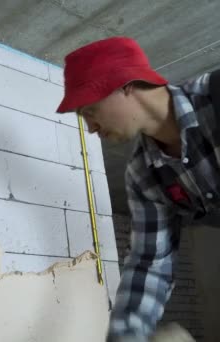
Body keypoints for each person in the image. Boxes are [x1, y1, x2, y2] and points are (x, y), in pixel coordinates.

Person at [56, 37, 219, 341]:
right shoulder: (143, 175)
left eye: (89, 111)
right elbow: (150, 265)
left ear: (125, 84)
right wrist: (127, 335)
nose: (90, 128)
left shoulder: (215, 98)